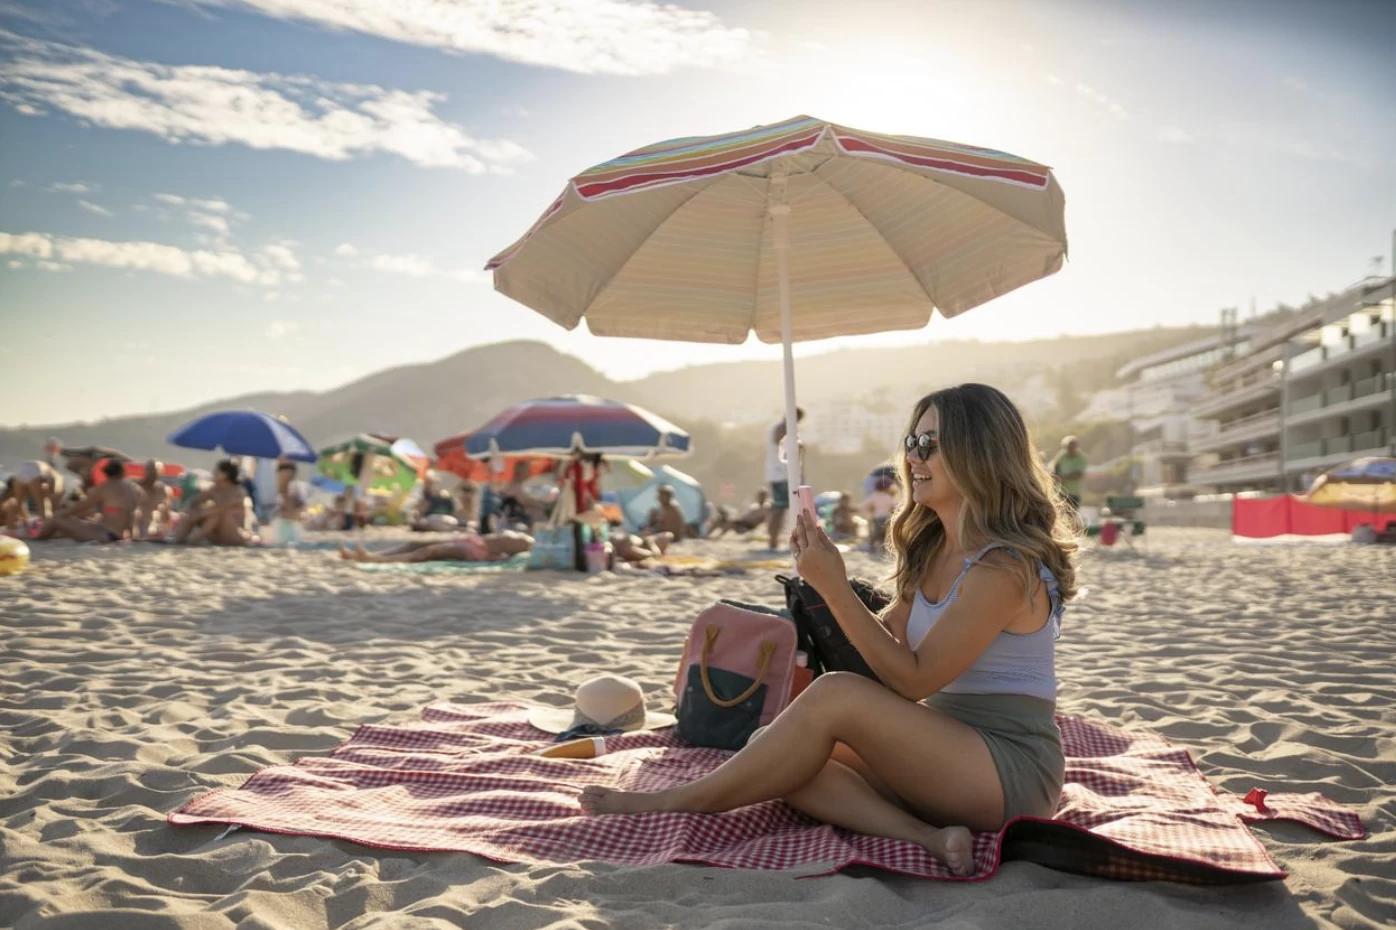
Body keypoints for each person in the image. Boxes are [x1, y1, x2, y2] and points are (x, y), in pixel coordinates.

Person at [579, 383, 1079, 877]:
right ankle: (926, 837)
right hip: (946, 754)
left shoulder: (1004, 568)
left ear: (979, 453)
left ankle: (682, 801)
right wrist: (817, 597)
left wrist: (836, 589)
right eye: (911, 442)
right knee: (775, 754)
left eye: (929, 444)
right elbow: (882, 647)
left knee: (831, 699)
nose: (912, 458)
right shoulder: (933, 551)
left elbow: (913, 680)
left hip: (1009, 770)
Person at [34, 459, 141, 542]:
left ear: (106, 474)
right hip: (120, 534)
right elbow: (129, 512)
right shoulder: (132, 488)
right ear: (122, 472)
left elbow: (80, 507)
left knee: (56, 518)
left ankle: (37, 540)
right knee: (79, 525)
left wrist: (62, 513)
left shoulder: (104, 487)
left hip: (105, 536)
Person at [172, 459, 252, 546]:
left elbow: (222, 508)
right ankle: (178, 538)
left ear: (225, 474)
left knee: (217, 513)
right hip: (217, 535)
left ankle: (196, 537)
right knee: (194, 512)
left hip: (234, 534)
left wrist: (200, 513)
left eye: (217, 471)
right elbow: (194, 500)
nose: (213, 473)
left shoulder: (238, 491)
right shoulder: (214, 489)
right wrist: (193, 509)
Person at [339, 529, 534, 564]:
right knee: (416, 543)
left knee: (428, 552)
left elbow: (508, 555)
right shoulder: (525, 539)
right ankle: (370, 554)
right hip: (472, 540)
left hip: (474, 551)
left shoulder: (525, 544)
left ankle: (376, 559)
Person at [765, 407, 806, 549]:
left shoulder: (781, 428)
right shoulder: (782, 429)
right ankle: (773, 542)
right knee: (779, 508)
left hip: (781, 473)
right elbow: (784, 448)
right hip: (782, 473)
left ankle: (774, 541)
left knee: (781, 508)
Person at [135, 460, 171, 538]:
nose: (153, 472)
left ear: (161, 472)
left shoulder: (165, 490)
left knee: (157, 512)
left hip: (155, 523)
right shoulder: (136, 486)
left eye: (155, 470)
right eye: (150, 469)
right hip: (138, 523)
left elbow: (166, 515)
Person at [273, 462, 307, 544]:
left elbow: (298, 510)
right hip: (283, 522)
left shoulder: (298, 487)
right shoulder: (277, 487)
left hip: (292, 522)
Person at [1051, 436, 1087, 511]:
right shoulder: (1062, 455)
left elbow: (1078, 475)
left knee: (1072, 516)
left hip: (1073, 493)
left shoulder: (1081, 458)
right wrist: (1054, 475)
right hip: (1061, 491)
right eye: (1067, 448)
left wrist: (1062, 477)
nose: (1069, 450)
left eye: (1071, 448)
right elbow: (1054, 465)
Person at [865, 476, 897, 554]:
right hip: (886, 517)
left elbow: (869, 506)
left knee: (875, 533)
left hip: (876, 517)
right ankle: (884, 548)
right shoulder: (889, 497)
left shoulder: (874, 495)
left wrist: (871, 514)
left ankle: (871, 547)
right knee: (885, 534)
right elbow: (893, 508)